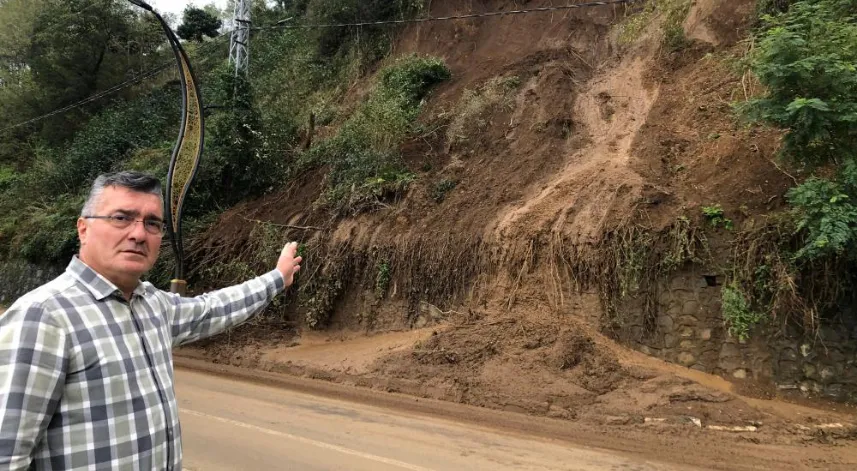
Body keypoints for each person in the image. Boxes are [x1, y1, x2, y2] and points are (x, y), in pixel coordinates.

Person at [0, 171, 302, 470]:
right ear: (83, 229)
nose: (138, 234)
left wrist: (277, 279)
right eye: (121, 218)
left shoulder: (152, 305)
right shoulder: (43, 316)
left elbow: (212, 309)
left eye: (152, 223)